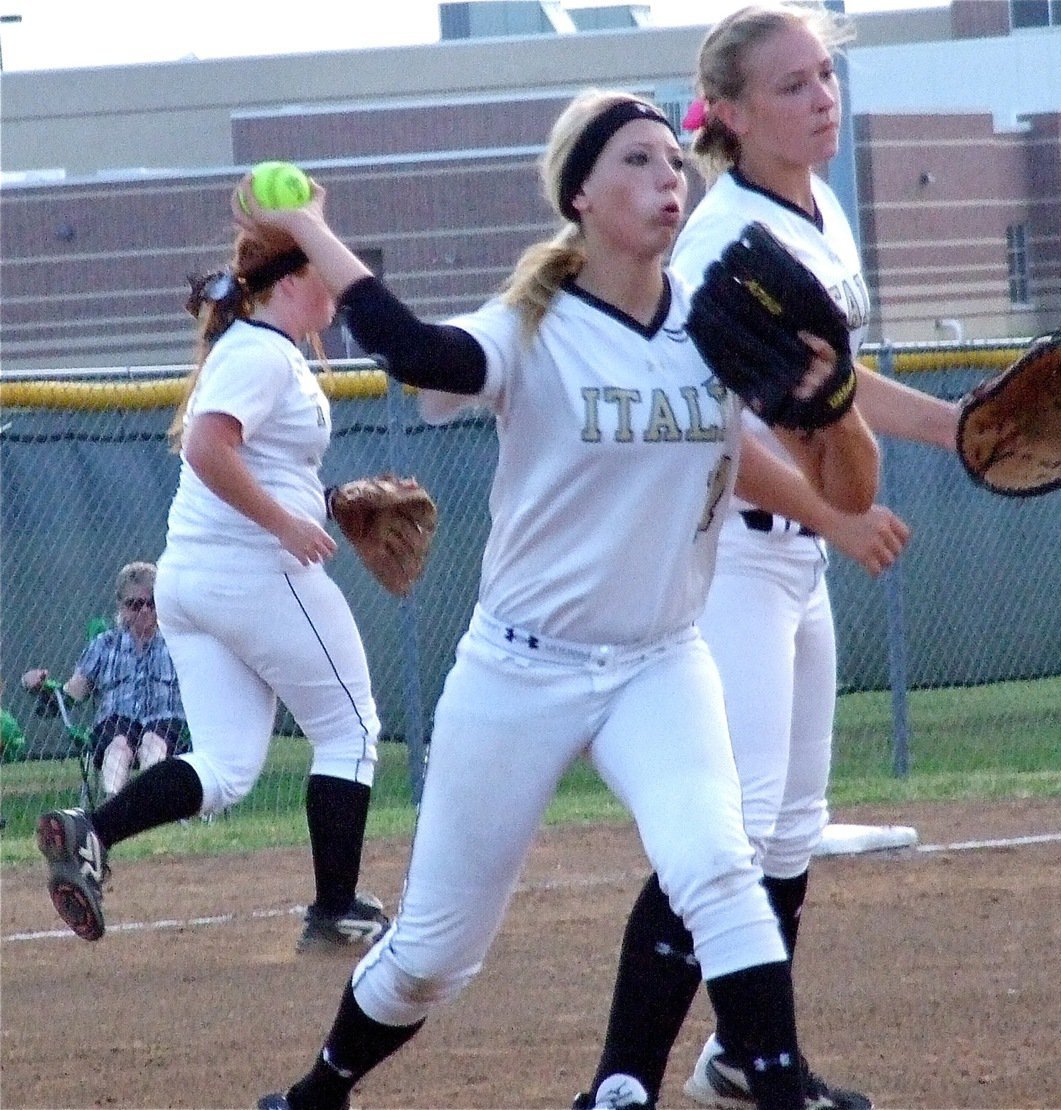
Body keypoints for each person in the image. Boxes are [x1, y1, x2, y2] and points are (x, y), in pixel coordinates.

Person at [247, 87, 881, 1110]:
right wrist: (309, 226)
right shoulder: (531, 325)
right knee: (435, 953)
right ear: (579, 193)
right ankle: (319, 1091)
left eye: (674, 164)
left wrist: (836, 403)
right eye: (636, 162)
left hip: (660, 662)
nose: (667, 180)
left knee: (720, 867)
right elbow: (418, 355)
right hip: (520, 668)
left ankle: (777, 1085)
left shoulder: (719, 324)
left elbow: (836, 483)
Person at [576, 6, 965, 1110]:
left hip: (800, 562)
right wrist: (836, 515)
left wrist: (955, 425)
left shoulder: (822, 208)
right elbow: (722, 430)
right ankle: (622, 1081)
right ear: (733, 117)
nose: (821, 98)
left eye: (827, 77)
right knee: (727, 831)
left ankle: (744, 1059)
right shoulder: (719, 247)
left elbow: (835, 380)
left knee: (791, 827)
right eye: (792, 86)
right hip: (736, 561)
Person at [34, 220, 389, 955]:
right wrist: (288, 527)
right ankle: (334, 911)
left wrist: (324, 506)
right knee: (349, 730)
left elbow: (255, 462)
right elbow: (205, 448)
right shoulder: (262, 352)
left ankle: (91, 830)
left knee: (226, 768)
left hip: (196, 582)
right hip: (254, 572)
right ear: (288, 281)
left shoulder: (257, 351)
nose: (337, 277)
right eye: (322, 264)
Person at [22, 562, 187, 800]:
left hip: (165, 720)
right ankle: (115, 808)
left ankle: (154, 807)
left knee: (153, 741)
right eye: (135, 604)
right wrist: (38, 688)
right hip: (115, 721)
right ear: (120, 605)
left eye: (151, 603)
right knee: (118, 745)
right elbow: (71, 694)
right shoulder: (104, 644)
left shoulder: (178, 644)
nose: (144, 611)